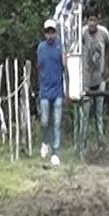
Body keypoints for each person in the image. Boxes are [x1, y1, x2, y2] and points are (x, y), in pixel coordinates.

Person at [80, 9, 109, 151]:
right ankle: (83, 144)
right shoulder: (82, 33)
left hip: (100, 79)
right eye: (89, 20)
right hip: (86, 81)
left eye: (94, 20)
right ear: (86, 22)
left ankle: (101, 143)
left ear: (98, 21)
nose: (92, 23)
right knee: (85, 115)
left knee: (99, 114)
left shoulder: (103, 33)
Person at [37, 19, 67, 166]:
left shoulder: (60, 46)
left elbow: (64, 67)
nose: (50, 35)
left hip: (58, 90)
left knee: (56, 121)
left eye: (52, 32)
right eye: (48, 32)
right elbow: (39, 67)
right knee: (44, 120)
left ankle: (56, 152)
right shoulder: (41, 48)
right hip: (45, 89)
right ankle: (45, 142)